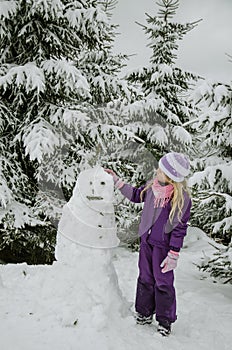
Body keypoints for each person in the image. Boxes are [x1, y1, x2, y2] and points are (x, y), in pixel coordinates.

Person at [105, 152, 192, 336]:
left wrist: (174, 253)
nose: (157, 172)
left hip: (164, 248)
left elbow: (179, 228)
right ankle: (144, 313)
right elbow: (136, 195)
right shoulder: (152, 188)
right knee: (145, 278)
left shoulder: (181, 199)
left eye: (161, 171)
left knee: (163, 283)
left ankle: (164, 320)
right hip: (146, 243)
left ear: (171, 177)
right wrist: (117, 181)